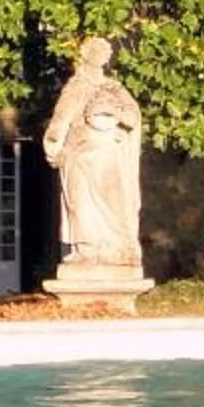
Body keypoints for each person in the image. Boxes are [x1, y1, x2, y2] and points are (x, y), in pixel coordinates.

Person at [42, 36, 143, 271]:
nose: (102, 55)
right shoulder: (76, 87)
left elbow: (132, 117)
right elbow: (61, 120)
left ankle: (118, 249)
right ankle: (86, 251)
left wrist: (113, 111)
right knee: (80, 202)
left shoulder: (114, 88)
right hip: (78, 153)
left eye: (105, 52)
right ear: (86, 54)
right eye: (96, 50)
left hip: (107, 153)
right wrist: (54, 146)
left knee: (113, 201)